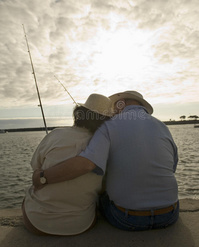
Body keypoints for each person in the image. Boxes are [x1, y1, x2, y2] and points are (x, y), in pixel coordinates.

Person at [33, 90, 179, 231]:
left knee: (102, 193)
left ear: (121, 104)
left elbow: (86, 164)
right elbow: (172, 166)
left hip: (127, 219)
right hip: (170, 214)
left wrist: (43, 177)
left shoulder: (110, 125)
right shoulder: (162, 126)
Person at [22, 93, 112, 236]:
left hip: (37, 222)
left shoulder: (56, 134)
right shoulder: (106, 148)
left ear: (80, 113)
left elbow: (35, 166)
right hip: (81, 224)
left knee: (26, 197)